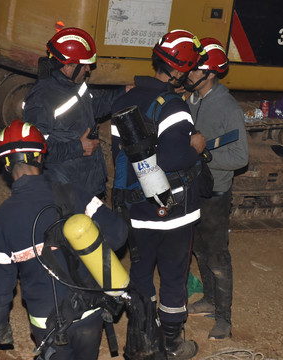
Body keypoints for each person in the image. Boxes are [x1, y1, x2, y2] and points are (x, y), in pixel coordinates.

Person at [0, 119, 128, 360]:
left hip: (47, 322)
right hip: (91, 311)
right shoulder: (73, 193)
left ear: (6, 165)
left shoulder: (2, 219)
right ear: (41, 157)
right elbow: (119, 234)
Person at [110, 29, 207, 360]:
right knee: (173, 276)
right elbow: (171, 158)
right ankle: (171, 342)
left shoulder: (124, 100)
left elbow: (118, 155)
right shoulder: (175, 106)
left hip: (134, 207)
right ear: (179, 71)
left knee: (139, 275)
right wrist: (195, 147)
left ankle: (141, 339)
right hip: (173, 212)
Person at [183, 38, 249, 341]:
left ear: (210, 74)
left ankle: (224, 318)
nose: (188, 71)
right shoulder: (192, 99)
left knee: (218, 255)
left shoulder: (227, 107)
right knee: (199, 248)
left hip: (216, 194)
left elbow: (240, 158)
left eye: (195, 68)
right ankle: (209, 300)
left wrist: (204, 155)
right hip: (194, 188)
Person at [23, 27, 125, 200]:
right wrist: (78, 148)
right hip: (64, 191)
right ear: (67, 66)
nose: (88, 69)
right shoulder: (42, 98)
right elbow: (35, 150)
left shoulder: (75, 85)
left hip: (87, 184)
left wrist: (123, 93)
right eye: (84, 64)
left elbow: (92, 109)